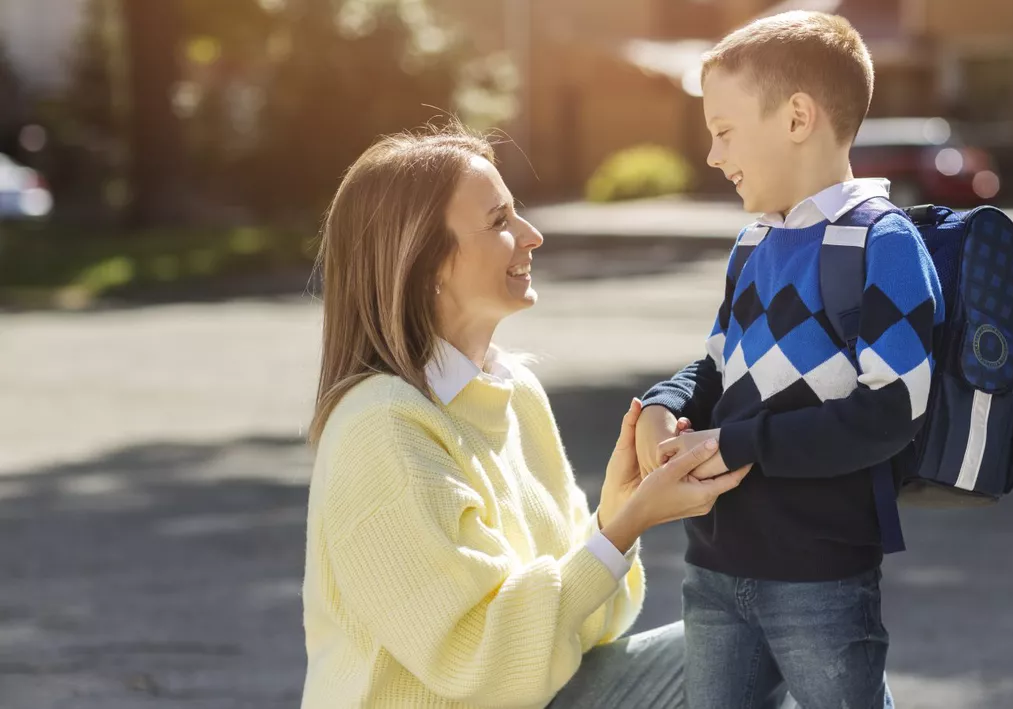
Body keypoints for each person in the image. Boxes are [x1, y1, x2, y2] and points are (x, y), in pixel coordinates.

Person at [300, 129, 751, 708]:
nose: (532, 236)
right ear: (424, 261)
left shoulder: (513, 392)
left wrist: (614, 513)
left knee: (777, 636)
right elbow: (481, 666)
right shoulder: (382, 428)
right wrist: (621, 530)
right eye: (499, 221)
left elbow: (584, 632)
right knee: (763, 648)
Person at [635, 12, 945, 709]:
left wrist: (738, 442)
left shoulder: (882, 243)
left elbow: (889, 412)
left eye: (723, 130)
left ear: (798, 117)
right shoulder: (751, 244)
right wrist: (666, 404)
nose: (712, 154)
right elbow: (717, 366)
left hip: (819, 576)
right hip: (713, 566)